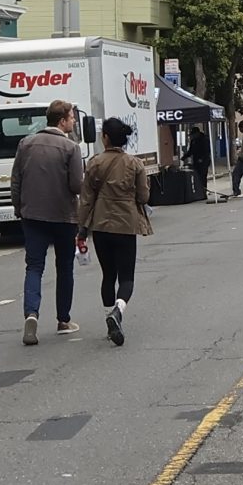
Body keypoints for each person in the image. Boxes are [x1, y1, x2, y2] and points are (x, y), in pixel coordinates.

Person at [10, 100, 83, 346]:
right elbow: (76, 185)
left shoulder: (25, 144)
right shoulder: (71, 148)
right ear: (61, 120)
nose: (73, 121)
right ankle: (63, 320)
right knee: (64, 267)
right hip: (63, 215)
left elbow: (16, 180)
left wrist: (20, 208)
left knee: (34, 266)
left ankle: (31, 313)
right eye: (71, 118)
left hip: (33, 214)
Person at [77, 118, 153, 346]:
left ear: (106, 138)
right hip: (126, 225)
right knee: (126, 276)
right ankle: (118, 311)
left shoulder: (94, 163)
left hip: (100, 225)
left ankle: (109, 314)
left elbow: (86, 199)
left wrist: (81, 228)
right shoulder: (135, 164)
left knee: (108, 274)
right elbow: (144, 197)